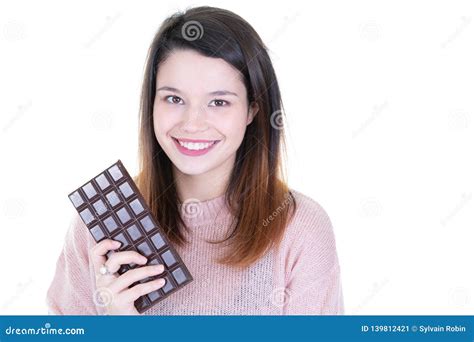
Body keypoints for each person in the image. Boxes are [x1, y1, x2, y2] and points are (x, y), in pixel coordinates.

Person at [47, 6, 344, 315]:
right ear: (152, 104)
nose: (193, 123)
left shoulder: (300, 228)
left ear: (252, 111)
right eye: (174, 99)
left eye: (219, 102)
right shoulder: (98, 228)